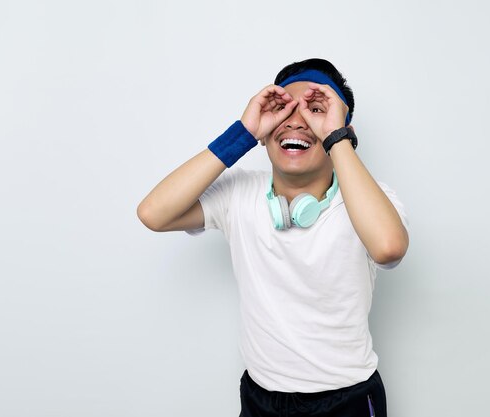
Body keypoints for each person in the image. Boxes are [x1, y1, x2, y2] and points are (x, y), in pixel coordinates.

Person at [137, 58, 409, 417]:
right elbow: (153, 213)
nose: (297, 121)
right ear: (265, 132)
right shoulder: (238, 194)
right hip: (260, 397)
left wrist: (337, 137)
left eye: (316, 110)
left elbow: (389, 248)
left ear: (342, 131)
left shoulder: (371, 201)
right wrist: (242, 134)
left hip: (347, 398)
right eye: (283, 109)